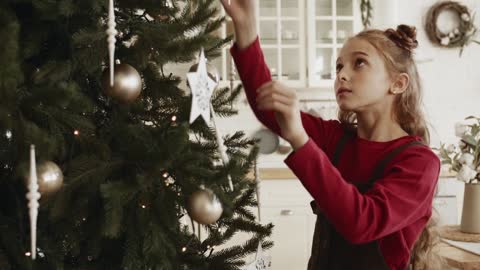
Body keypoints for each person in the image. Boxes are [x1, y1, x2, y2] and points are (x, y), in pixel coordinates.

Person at [220, 1, 443, 270]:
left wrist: (300, 138)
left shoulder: (419, 162)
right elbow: (269, 110)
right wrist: (245, 27)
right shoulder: (335, 138)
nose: (342, 75)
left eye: (359, 63)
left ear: (398, 83)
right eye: (338, 67)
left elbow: (362, 223)